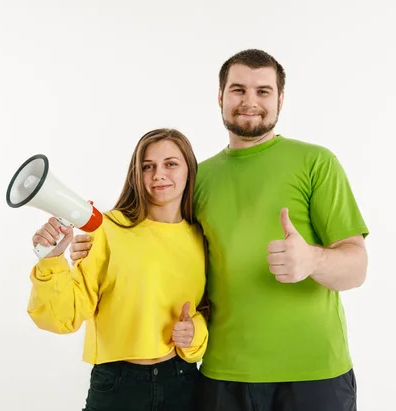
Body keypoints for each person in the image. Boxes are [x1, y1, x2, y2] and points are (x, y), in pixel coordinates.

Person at [70, 49, 369, 411]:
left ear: (280, 99)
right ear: (220, 97)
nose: (250, 101)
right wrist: (97, 244)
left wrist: (312, 261)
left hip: (314, 373)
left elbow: (357, 268)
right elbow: (156, 240)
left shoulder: (317, 162)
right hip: (224, 375)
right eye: (238, 89)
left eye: (263, 91)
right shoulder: (197, 178)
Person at [26, 128, 208, 411]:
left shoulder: (201, 238)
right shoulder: (107, 228)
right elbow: (63, 317)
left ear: (189, 170)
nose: (159, 174)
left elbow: (207, 311)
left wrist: (194, 332)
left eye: (171, 164)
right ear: (137, 174)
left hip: (182, 382)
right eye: (148, 166)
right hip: (117, 385)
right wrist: (52, 261)